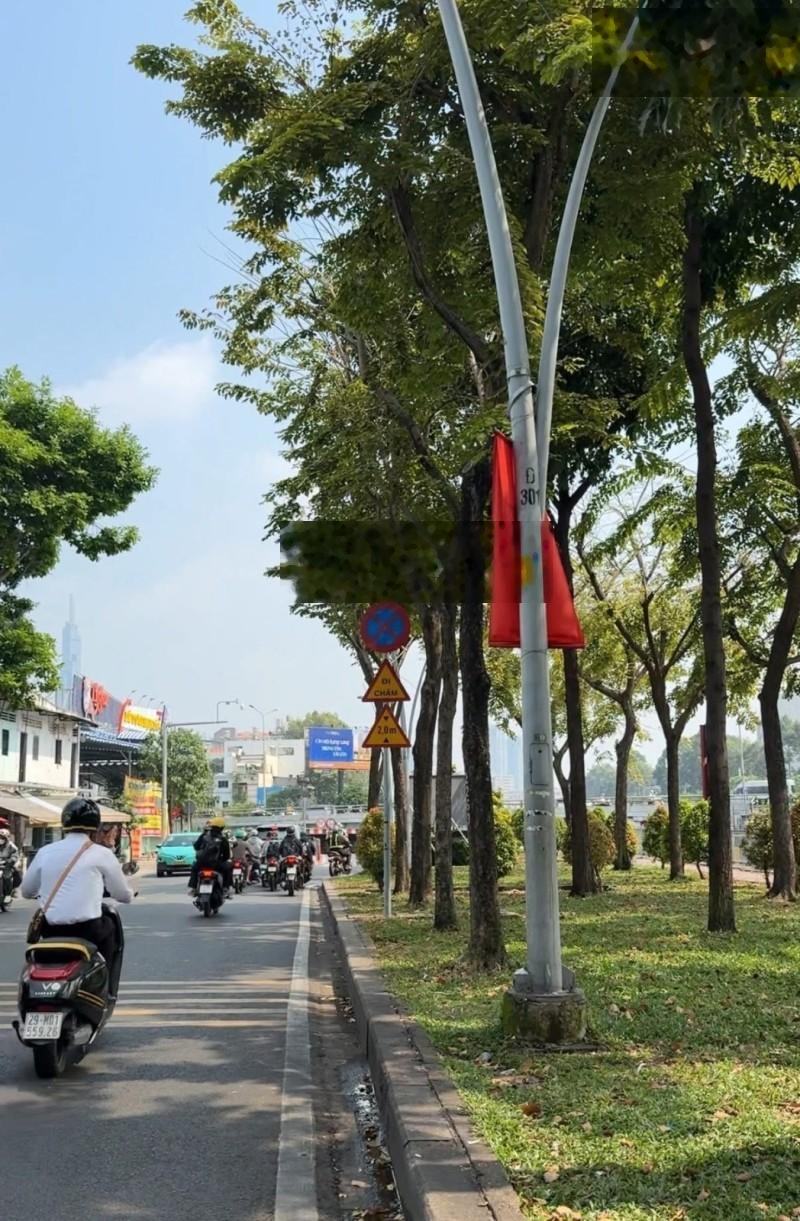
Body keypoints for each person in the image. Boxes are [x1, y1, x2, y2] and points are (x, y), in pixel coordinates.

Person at [21, 798, 135, 993]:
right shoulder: (102, 854)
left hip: (51, 930)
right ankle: (106, 988)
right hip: (89, 930)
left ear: (65, 823)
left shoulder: (45, 852)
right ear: (95, 826)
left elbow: (26, 891)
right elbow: (123, 894)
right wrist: (131, 893)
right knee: (110, 924)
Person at [188, 817, 232, 897]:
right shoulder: (223, 839)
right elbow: (227, 855)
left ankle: (193, 888)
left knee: (194, 868)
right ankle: (226, 888)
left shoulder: (203, 836)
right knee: (228, 868)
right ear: (222, 828)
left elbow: (196, 847)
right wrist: (221, 860)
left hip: (201, 863)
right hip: (216, 864)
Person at [0, 821, 21, 895]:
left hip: (8, 864)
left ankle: (11, 891)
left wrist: (9, 861)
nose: (0, 839)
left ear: (6, 838)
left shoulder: (12, 846)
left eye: (2, 837)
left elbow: (15, 856)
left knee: (8, 876)